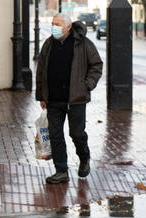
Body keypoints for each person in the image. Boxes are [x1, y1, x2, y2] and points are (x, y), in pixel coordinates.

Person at [35, 13, 103, 184]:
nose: (54, 27)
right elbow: (41, 70)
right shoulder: (49, 44)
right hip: (53, 100)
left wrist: (86, 85)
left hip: (75, 99)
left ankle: (84, 158)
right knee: (55, 135)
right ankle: (61, 171)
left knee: (77, 133)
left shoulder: (83, 43)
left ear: (67, 27)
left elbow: (96, 65)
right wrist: (41, 95)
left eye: (57, 24)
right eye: (52, 23)